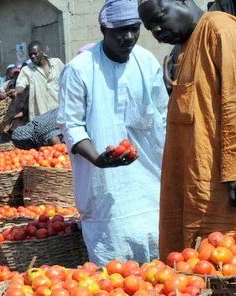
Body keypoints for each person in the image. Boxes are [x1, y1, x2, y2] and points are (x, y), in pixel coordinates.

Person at [138, 0, 236, 255]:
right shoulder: (187, 45)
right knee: (205, 261)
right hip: (205, 182)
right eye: (150, 27)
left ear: (182, 1)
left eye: (160, 18)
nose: (157, 31)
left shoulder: (223, 31)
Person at [57, 0, 168, 265]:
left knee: (159, 268)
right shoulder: (80, 69)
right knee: (114, 273)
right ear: (103, 30)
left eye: (133, 29)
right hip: (103, 189)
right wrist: (96, 158)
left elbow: (163, 117)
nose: (128, 37)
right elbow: (70, 124)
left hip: (149, 188)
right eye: (120, 31)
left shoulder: (146, 62)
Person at [15, 41, 65, 120]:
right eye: (30, 55)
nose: (33, 56)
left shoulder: (57, 63)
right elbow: (20, 84)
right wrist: (16, 91)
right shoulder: (26, 70)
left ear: (42, 51)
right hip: (41, 115)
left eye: (35, 53)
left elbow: (67, 80)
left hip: (59, 111)